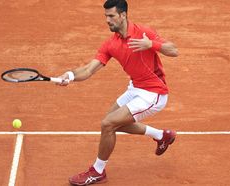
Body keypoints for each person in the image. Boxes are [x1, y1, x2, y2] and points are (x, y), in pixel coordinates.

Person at [56, 0, 178, 185]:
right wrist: (70, 75)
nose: (107, 20)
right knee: (112, 123)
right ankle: (162, 136)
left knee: (108, 124)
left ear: (123, 15)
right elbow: (89, 69)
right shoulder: (111, 44)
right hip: (135, 87)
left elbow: (173, 50)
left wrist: (151, 44)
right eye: (106, 16)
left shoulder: (144, 33)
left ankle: (97, 171)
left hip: (154, 93)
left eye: (111, 16)